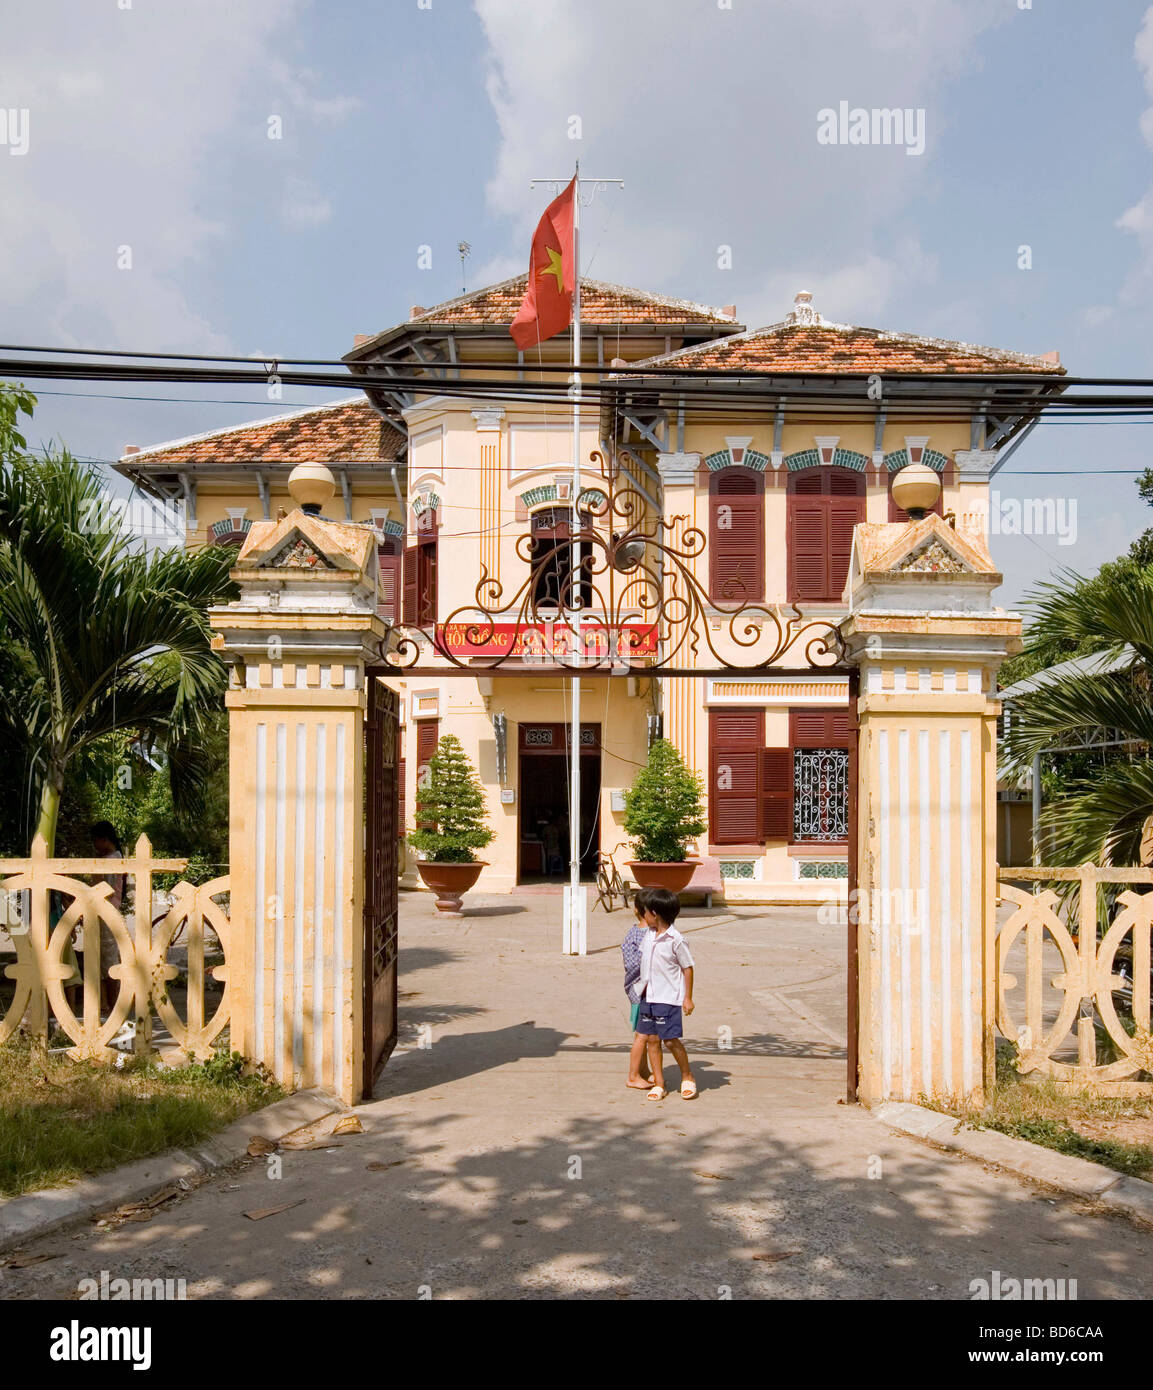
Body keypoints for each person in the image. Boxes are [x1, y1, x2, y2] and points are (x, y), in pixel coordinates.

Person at [636, 886, 697, 1101]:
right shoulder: (649, 936)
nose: (643, 915)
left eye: (646, 911)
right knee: (652, 1040)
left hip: (668, 998)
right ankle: (660, 1083)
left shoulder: (676, 940)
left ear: (656, 913)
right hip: (648, 997)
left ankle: (687, 1076)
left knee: (670, 1040)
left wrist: (687, 998)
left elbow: (687, 967)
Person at [89, 821, 126, 1014]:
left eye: (95, 841)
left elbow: (105, 890)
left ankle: (113, 1005)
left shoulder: (111, 860)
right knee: (105, 960)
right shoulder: (114, 857)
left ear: (104, 840)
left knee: (109, 963)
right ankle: (108, 1004)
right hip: (107, 913)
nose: (94, 845)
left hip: (107, 914)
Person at [621, 889, 654, 1090]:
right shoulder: (640, 935)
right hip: (641, 991)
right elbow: (633, 965)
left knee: (645, 1032)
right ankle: (633, 1075)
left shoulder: (642, 932)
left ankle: (644, 1071)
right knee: (642, 1035)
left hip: (643, 990)